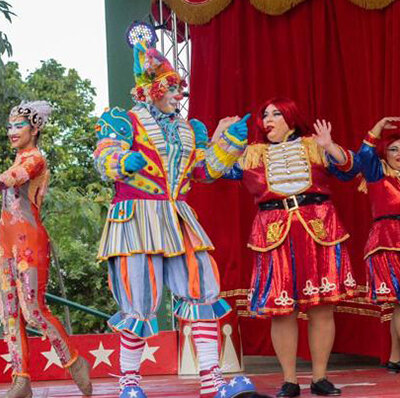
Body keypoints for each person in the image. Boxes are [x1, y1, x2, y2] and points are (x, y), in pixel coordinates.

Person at [93, 41, 256, 398]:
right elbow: (103, 157)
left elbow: (203, 171)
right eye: (172, 86)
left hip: (177, 216)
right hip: (136, 217)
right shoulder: (123, 120)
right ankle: (130, 383)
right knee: (138, 297)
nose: (179, 94)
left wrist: (228, 144)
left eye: (180, 88)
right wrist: (121, 163)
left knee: (201, 289)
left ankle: (212, 381)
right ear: (151, 88)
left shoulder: (188, 128)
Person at [226, 97, 359, 397]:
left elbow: (351, 169)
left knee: (322, 309)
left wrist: (330, 147)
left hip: (318, 228)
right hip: (274, 232)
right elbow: (214, 170)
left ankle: (320, 378)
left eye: (276, 114)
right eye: (265, 115)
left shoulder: (315, 145)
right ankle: (289, 380)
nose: (268, 119)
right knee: (281, 311)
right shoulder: (252, 155)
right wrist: (223, 139)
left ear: (290, 118)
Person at [0, 101, 92, 398]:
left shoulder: (35, 159)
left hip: (29, 242)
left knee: (33, 310)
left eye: (19, 126)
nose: (12, 131)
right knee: (10, 313)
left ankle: (74, 361)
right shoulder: (13, 161)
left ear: (35, 128)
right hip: (5, 245)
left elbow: (13, 179)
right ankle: (21, 379)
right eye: (10, 126)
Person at [356, 116, 400, 372]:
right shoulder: (377, 174)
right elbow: (363, 154)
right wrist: (378, 127)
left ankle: (395, 358)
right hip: (387, 242)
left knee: (398, 306)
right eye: (394, 149)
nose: (398, 155)